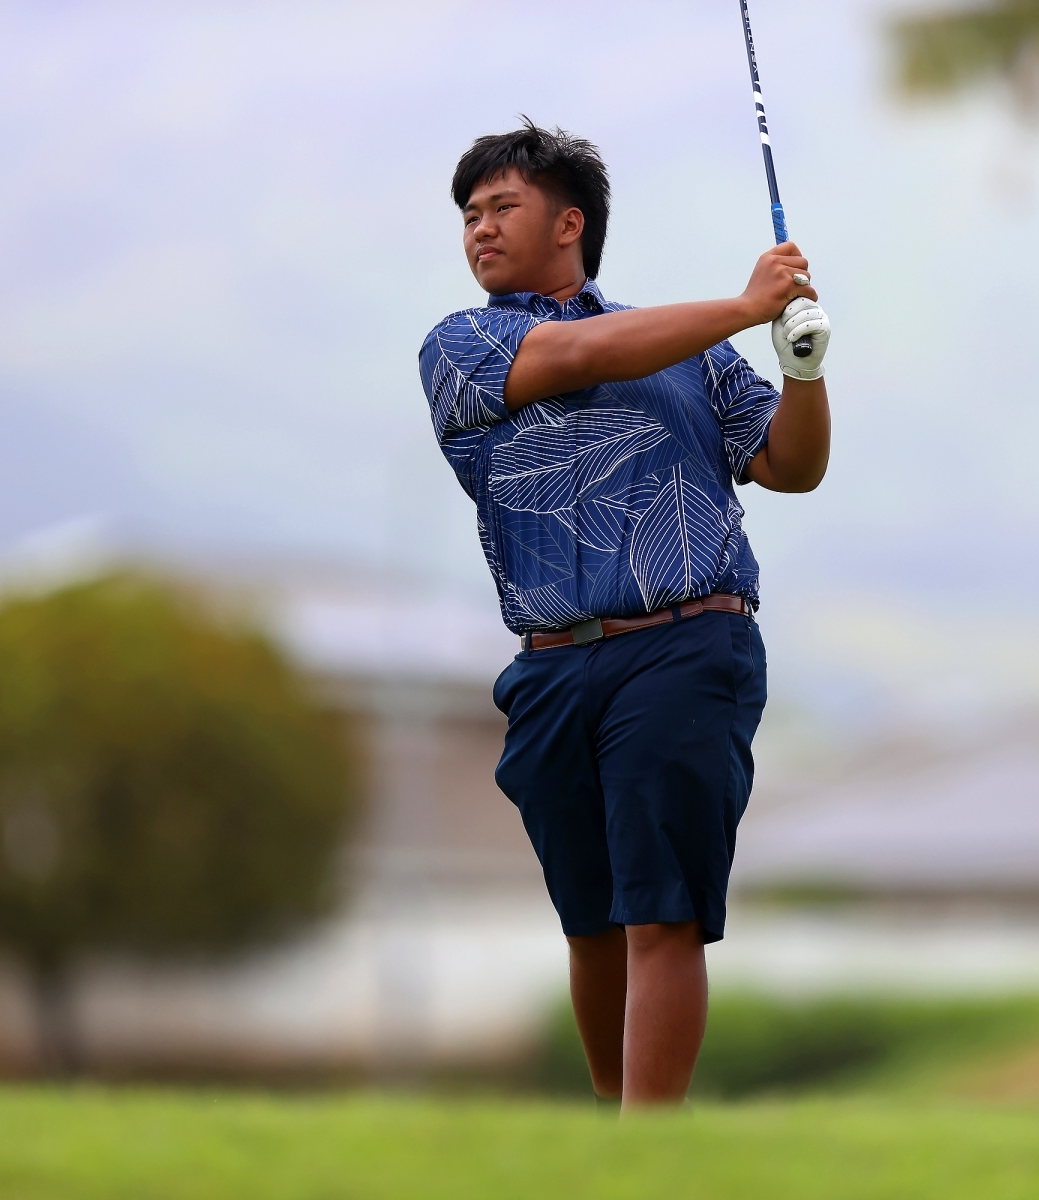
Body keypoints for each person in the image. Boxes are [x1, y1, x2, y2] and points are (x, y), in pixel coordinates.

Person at [417, 120, 831, 1109]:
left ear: (570, 223)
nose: (479, 229)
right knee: (593, 921)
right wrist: (745, 306)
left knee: (662, 912)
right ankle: (615, 1138)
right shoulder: (463, 346)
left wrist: (804, 369)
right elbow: (577, 355)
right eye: (469, 216)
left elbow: (790, 465)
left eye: (502, 207)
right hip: (553, 664)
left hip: (687, 645)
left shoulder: (694, 353)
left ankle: (651, 1144)